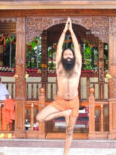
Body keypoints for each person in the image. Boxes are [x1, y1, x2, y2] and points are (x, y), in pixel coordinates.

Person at [36, 18, 82, 155]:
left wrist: (71, 30)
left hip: (73, 102)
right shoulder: (59, 66)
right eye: (66, 54)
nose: (68, 55)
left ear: (74, 56)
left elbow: (77, 47)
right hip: (60, 101)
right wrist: (64, 31)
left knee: (70, 130)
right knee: (39, 118)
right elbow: (59, 47)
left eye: (70, 54)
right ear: (62, 57)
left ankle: (65, 153)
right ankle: (63, 114)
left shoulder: (78, 66)